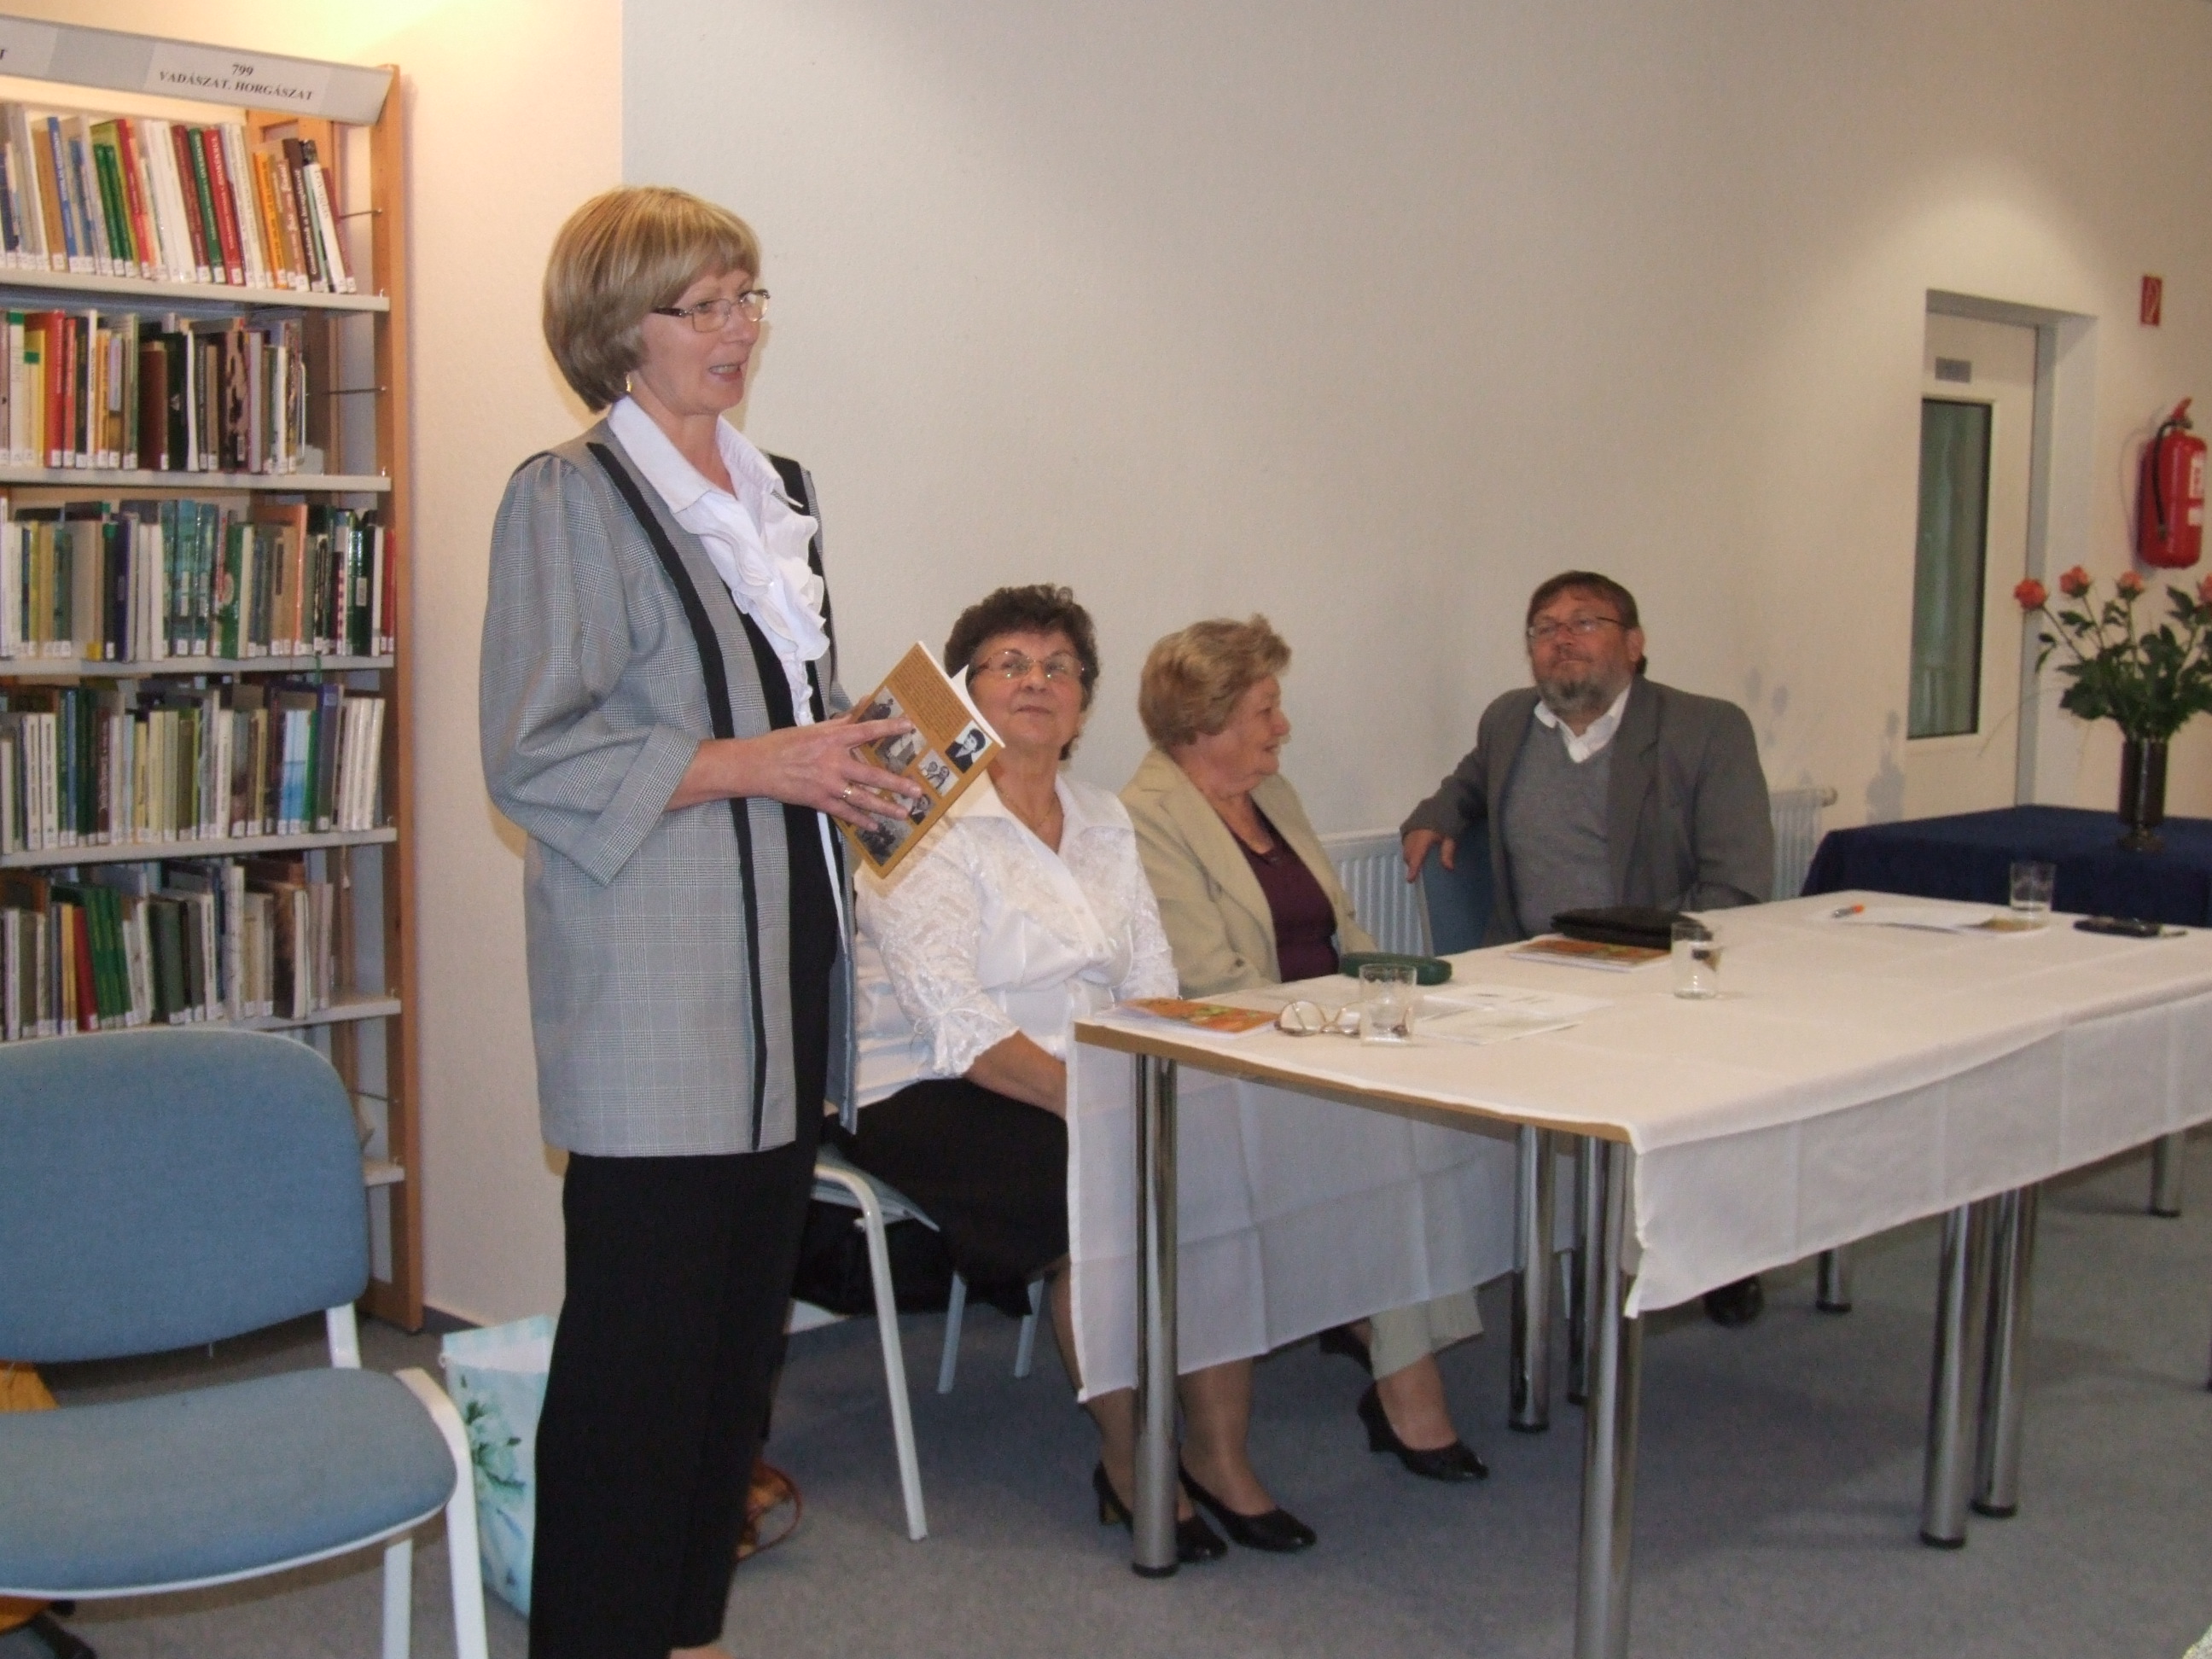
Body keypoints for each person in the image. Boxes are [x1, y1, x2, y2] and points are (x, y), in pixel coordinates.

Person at [480, 185, 920, 1659]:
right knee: (638, 1370)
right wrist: (758, 763)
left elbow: (780, 714)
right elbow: (533, 752)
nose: (739, 330)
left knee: (736, 1365)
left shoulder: (777, 490)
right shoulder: (568, 497)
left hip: (787, 969)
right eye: (705, 305)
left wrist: (858, 756)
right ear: (620, 329)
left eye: (749, 298)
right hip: (658, 995)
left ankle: (688, 1632)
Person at [839, 585, 1315, 1559]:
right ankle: (1133, 1462)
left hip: (1085, 1075)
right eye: (1009, 664)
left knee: (1213, 1173)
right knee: (1099, 1194)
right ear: (962, 692)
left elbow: (1151, 981)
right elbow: (958, 1022)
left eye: (1059, 667)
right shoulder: (917, 814)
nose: (1036, 681)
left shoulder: (1104, 819)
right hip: (926, 1084)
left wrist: (1158, 1086)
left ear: (1084, 704)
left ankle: (1220, 1456)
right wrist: (1103, 1107)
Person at [1123, 616, 1487, 1482]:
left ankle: (1376, 1330)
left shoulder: (1274, 797)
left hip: (1329, 1041)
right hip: (1236, 1063)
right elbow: (1211, 979)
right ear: (1204, 720)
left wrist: (1401, 1002)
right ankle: (1406, 1383)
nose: (1282, 726)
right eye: (1264, 710)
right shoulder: (1146, 817)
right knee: (1387, 1142)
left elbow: (1344, 929)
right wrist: (1339, 1037)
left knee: (1443, 1113)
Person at [1400, 569, 1773, 1324]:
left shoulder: (1706, 729)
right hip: (1524, 974)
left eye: (1584, 622)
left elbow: (1736, 888)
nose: (1562, 639)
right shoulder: (1509, 720)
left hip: (1651, 971)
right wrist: (1435, 814)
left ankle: (1708, 1241)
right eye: (1544, 628)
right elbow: (1469, 783)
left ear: (1634, 645)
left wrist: (1628, 960)